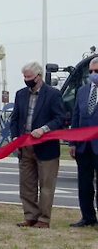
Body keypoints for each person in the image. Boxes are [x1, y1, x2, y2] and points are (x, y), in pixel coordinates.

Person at [10, 61, 65, 229]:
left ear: (39, 76)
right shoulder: (20, 94)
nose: (26, 80)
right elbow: (15, 119)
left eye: (29, 77)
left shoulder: (53, 94)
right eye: (24, 77)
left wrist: (44, 129)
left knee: (46, 185)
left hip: (46, 147)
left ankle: (44, 219)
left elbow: (60, 118)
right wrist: (15, 138)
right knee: (26, 184)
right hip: (25, 146)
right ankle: (30, 216)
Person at [69, 57, 98, 227]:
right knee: (84, 184)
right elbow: (76, 117)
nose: (93, 74)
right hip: (83, 146)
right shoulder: (82, 91)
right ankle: (87, 217)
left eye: (97, 72)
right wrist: (72, 142)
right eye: (91, 72)